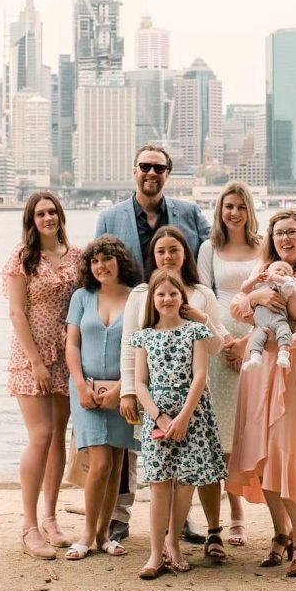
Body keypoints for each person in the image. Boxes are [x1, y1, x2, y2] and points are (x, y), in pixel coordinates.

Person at [95, 144, 211, 542]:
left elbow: (209, 260)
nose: (151, 173)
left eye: (158, 168)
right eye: (144, 166)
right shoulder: (110, 217)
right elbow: (99, 272)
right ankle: (120, 516)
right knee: (126, 434)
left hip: (179, 324)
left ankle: (182, 519)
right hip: (133, 320)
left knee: (183, 433)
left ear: (167, 173)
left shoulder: (190, 214)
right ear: (134, 170)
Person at [227, 209, 296, 577]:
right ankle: (280, 533)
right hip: (259, 373)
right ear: (271, 239)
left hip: (294, 371)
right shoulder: (263, 273)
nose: (285, 239)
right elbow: (238, 307)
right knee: (262, 454)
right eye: (278, 234)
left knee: (287, 452)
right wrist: (257, 296)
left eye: (291, 232)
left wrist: (284, 335)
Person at [120, 225, 229, 559]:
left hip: (194, 404)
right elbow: (131, 347)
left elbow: (215, 347)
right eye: (161, 251)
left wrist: (199, 318)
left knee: (198, 472)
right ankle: (162, 545)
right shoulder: (140, 295)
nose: (168, 257)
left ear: (186, 253)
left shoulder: (201, 294)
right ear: (153, 256)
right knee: (161, 477)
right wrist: (130, 392)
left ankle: (207, 532)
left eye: (175, 250)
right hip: (157, 406)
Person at [1, 191, 82, 560]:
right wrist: (35, 361)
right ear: (31, 221)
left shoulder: (77, 257)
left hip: (67, 357)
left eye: (52, 212)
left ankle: (51, 516)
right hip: (32, 356)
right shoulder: (23, 259)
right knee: (41, 435)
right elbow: (17, 313)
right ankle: (28, 526)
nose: (48, 218)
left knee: (58, 437)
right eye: (41, 214)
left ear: (60, 216)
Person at [63, 235, 141, 560]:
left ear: (119, 261)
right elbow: (72, 345)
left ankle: (103, 534)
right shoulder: (82, 297)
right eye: (94, 261)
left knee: (116, 466)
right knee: (100, 464)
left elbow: (140, 345)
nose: (100, 266)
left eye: (106, 259)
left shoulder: (137, 298)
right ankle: (86, 535)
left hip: (123, 393)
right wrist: (80, 385)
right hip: (87, 392)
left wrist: (123, 388)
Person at [197, 180, 262, 547]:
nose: (233, 213)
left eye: (239, 206)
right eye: (227, 207)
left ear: (248, 210)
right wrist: (224, 342)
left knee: (249, 431)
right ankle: (231, 515)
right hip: (218, 343)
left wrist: (247, 341)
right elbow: (205, 297)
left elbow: (271, 295)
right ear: (220, 211)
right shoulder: (210, 248)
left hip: (256, 341)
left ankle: (260, 511)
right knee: (221, 434)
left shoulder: (263, 246)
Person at [240, 260, 295, 370]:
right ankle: (255, 358)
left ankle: (284, 355)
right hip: (261, 325)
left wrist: (274, 277)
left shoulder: (283, 289)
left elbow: (289, 284)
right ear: (266, 271)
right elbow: (244, 289)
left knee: (284, 333)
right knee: (256, 339)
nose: (281, 271)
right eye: (278, 269)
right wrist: (255, 279)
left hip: (279, 322)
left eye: (285, 271)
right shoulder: (259, 286)